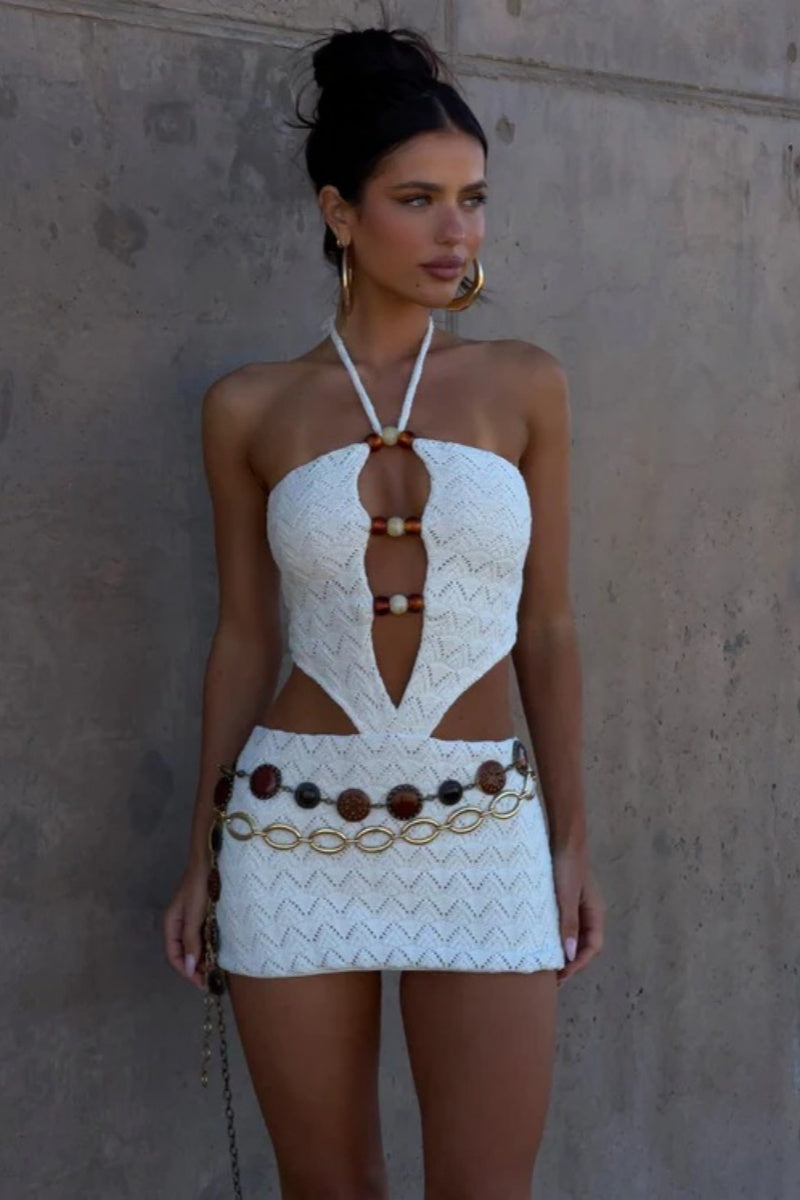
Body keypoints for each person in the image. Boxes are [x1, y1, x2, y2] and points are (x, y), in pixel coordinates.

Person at [164, 23, 605, 1200]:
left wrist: (567, 838)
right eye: (418, 200)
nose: (457, 231)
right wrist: (201, 852)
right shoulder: (250, 407)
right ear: (340, 213)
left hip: (481, 824)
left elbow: (548, 626)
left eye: (472, 198)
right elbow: (243, 635)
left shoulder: (522, 384)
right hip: (290, 831)